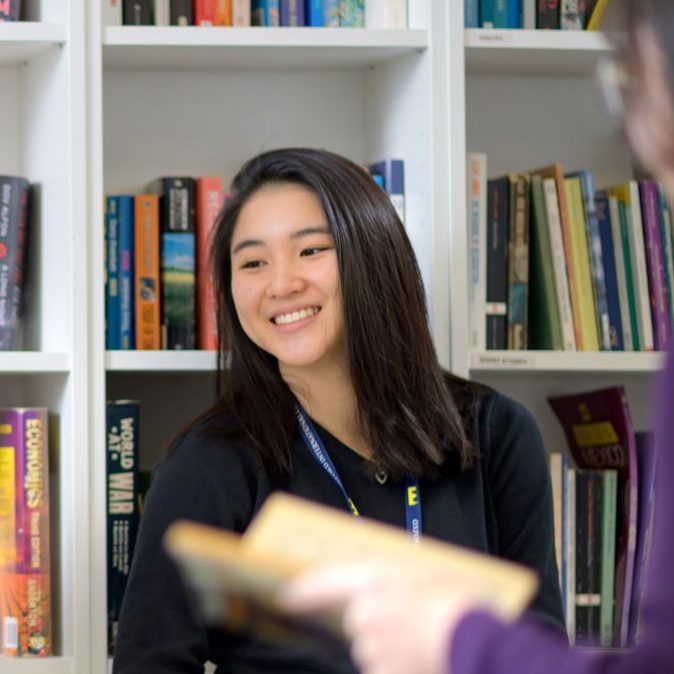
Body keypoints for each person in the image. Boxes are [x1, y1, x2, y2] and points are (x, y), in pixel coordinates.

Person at [280, 2, 674, 673]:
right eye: (251, 261)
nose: (639, 132)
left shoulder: (495, 429)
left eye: (634, 85)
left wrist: (453, 638)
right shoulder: (219, 452)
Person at [112, 147, 564, 673]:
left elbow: (539, 651)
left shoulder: (497, 434)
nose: (281, 284)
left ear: (373, 255)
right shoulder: (211, 462)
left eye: (310, 251)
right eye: (253, 262)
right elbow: (149, 665)